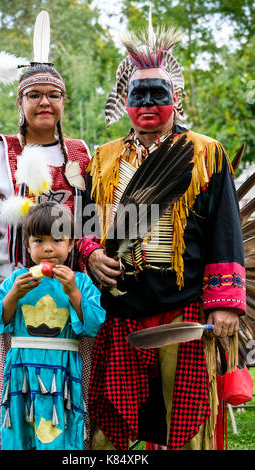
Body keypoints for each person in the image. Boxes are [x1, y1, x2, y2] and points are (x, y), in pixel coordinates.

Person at [75, 20, 246, 450]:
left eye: (159, 95)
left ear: (176, 101)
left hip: (183, 308)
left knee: (185, 424)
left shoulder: (206, 153)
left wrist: (225, 304)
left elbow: (225, 230)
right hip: (122, 309)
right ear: (124, 103)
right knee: (112, 425)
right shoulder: (103, 159)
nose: (148, 104)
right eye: (139, 96)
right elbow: (84, 225)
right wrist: (91, 253)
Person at [0, 11, 91, 450]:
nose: (44, 102)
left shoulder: (80, 155)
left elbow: (90, 225)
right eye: (34, 95)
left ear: (64, 102)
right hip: (11, 290)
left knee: (65, 398)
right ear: (19, 103)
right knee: (12, 394)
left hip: (66, 293)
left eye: (53, 95)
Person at [0, 203, 105, 450]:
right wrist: (13, 296)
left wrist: (73, 292)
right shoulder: (16, 281)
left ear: (71, 244)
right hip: (23, 372)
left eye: (57, 240)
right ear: (28, 246)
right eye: (39, 240)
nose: (48, 248)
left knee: (60, 435)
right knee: (21, 432)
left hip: (62, 373)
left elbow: (93, 325)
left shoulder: (80, 282)